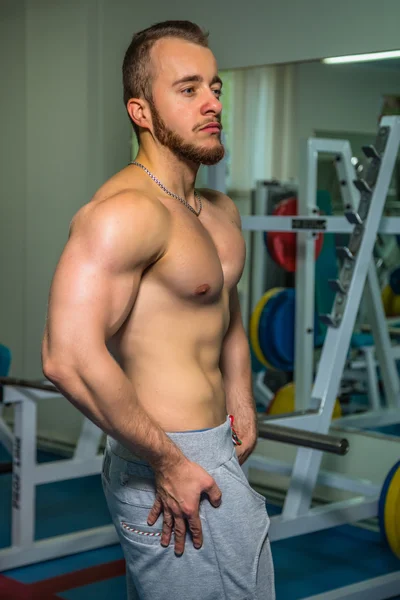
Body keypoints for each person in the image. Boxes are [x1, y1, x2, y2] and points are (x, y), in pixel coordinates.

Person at [42, 20, 275, 600]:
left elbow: (226, 309)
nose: (212, 103)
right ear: (141, 111)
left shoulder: (218, 211)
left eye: (215, 88)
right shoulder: (124, 213)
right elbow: (66, 357)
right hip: (165, 455)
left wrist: (240, 392)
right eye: (188, 88)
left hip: (215, 446)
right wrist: (168, 461)